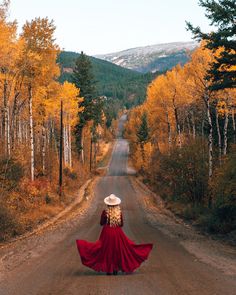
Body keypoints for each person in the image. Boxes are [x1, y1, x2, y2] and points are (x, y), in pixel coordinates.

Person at [76, 194, 153, 275]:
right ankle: (115, 268)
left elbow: (101, 223)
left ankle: (109, 268)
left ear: (108, 204)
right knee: (117, 249)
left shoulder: (105, 212)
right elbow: (121, 224)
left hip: (106, 233)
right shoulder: (119, 213)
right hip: (117, 232)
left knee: (105, 250)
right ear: (116, 203)